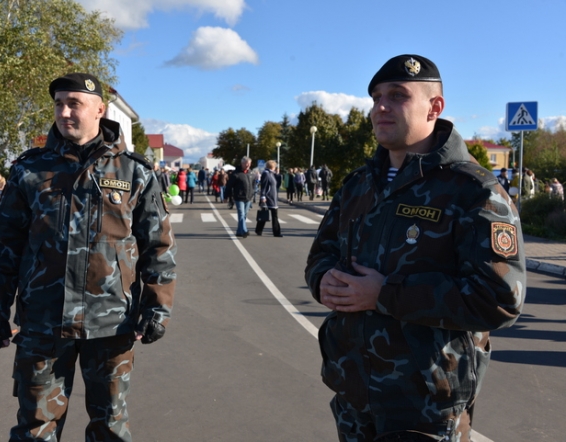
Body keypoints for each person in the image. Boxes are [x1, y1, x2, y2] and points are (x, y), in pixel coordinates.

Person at [305, 55, 526, 442]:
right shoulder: (359, 184)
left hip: (424, 407)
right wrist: (323, 280)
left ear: (434, 107)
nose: (380, 108)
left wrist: (384, 295)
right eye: (375, 98)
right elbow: (321, 253)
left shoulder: (473, 191)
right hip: (353, 395)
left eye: (397, 96)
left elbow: (499, 298)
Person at [0, 72, 177, 442]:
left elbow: (158, 245)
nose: (64, 112)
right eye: (59, 104)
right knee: (35, 429)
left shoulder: (134, 171)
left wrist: (157, 309)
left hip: (112, 324)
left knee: (110, 428)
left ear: (100, 110)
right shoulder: (30, 170)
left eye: (75, 104)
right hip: (43, 323)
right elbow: (4, 246)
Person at [225, 156, 255, 238]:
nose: (248, 165)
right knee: (241, 214)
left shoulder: (251, 173)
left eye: (249, 163)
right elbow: (229, 186)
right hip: (239, 197)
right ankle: (244, 231)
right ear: (242, 163)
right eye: (246, 163)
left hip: (248, 198)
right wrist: (226, 196)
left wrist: (252, 194)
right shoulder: (236, 173)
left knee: (244, 215)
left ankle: (239, 231)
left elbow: (253, 185)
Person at [255, 160, 283, 237]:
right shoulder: (266, 173)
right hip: (268, 197)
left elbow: (276, 183)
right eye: (275, 166)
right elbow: (263, 186)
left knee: (273, 215)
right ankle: (261, 230)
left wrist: (277, 175)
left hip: (272, 198)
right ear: (272, 166)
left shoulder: (271, 174)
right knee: (266, 215)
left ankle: (260, 230)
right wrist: (263, 196)